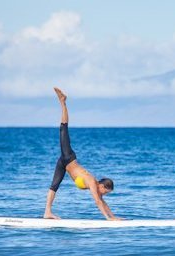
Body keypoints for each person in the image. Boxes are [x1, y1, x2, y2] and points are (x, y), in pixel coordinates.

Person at [44, 87, 121, 220]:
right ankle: (63, 102)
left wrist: (114, 217)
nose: (105, 195)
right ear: (102, 186)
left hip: (63, 164)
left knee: (54, 186)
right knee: (63, 129)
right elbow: (97, 202)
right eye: (106, 192)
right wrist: (108, 219)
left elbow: (102, 202)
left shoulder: (97, 188)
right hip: (68, 158)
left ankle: (47, 213)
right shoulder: (92, 182)